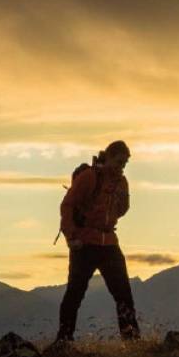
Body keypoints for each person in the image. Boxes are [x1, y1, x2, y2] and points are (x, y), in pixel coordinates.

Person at [55, 140, 140, 342]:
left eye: (125, 164)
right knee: (75, 294)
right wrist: (72, 236)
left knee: (123, 294)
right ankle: (64, 339)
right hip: (84, 243)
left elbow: (123, 209)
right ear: (108, 157)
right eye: (119, 162)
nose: (122, 168)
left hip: (109, 243)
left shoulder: (121, 182)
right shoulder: (89, 177)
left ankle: (132, 341)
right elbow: (67, 205)